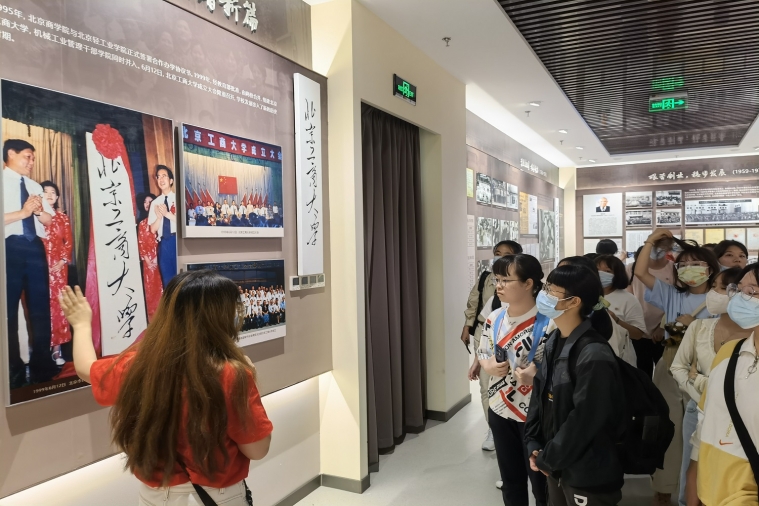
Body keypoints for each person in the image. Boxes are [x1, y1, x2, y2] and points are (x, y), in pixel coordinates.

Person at [59, 270, 272, 505]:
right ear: (221, 315)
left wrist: (81, 325)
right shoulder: (231, 374)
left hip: (154, 497)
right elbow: (257, 449)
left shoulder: (138, 366)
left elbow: (85, 368)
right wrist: (250, 379)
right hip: (218, 496)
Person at [525, 264, 625, 505]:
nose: (544, 294)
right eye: (546, 287)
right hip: (557, 462)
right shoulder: (554, 340)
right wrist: (534, 442)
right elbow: (540, 396)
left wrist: (550, 456)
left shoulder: (594, 353)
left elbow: (586, 418)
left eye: (551, 290)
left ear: (573, 302)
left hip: (586, 469)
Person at [634, 229, 720, 506]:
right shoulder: (671, 294)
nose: (689, 268)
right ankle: (664, 486)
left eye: (696, 263)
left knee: (702, 431)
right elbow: (640, 272)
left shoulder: (721, 299)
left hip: (707, 369)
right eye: (683, 264)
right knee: (668, 427)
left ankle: (696, 490)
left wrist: (690, 326)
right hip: (671, 363)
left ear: (710, 268)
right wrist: (651, 241)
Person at [670, 267, 747, 506]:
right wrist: (700, 394)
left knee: (730, 476)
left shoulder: (752, 335)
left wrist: (702, 380)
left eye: (722, 288)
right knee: (691, 471)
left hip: (739, 416)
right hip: (698, 409)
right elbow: (678, 367)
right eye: (713, 287)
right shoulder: (699, 328)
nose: (714, 293)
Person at [478, 254, 548, 506]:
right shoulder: (495, 317)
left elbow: (559, 366)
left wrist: (537, 373)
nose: (499, 286)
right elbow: (484, 351)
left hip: (535, 415)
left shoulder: (548, 321)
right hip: (500, 407)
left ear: (528, 283)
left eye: (506, 280)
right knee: (511, 480)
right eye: (497, 279)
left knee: (541, 483)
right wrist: (488, 365)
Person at [687, 263, 759, 505]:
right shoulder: (730, 352)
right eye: (737, 290)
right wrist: (693, 475)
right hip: (710, 490)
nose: (738, 298)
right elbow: (706, 417)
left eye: (751, 291)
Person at [3, 139, 58, 387]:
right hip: (9, 247)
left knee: (40, 308)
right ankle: (12, 369)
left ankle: (42, 366)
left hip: (35, 247)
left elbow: (48, 220)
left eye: (33, 158)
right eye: (28, 156)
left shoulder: (34, 186)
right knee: (8, 310)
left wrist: (37, 212)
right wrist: (23, 213)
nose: (32, 162)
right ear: (11, 154)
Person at [462, 240, 523, 453]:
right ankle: (493, 429)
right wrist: (468, 326)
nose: (500, 257)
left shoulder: (524, 284)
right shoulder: (486, 279)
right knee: (486, 386)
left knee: (512, 384)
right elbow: (474, 303)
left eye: (507, 254)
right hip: (485, 333)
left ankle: (515, 428)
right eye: (497, 253)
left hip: (514, 337)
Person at [627, 243, 674, 378]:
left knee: (664, 372)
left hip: (664, 330)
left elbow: (677, 302)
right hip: (639, 329)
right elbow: (629, 296)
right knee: (641, 371)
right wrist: (635, 325)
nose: (657, 250)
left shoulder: (673, 269)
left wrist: (663, 327)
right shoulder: (632, 268)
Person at [41, 181, 74, 366]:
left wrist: (62, 260)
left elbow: (68, 241)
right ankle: (40, 348)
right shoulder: (35, 216)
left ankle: (57, 349)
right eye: (45, 191)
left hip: (59, 269)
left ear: (58, 196)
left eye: (53, 192)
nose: (49, 194)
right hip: (39, 267)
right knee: (41, 306)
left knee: (58, 306)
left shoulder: (63, 218)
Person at [596, 254, 645, 364]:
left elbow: (638, 334)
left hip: (620, 358)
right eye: (597, 270)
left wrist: (616, 320)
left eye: (607, 271)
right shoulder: (586, 296)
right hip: (591, 355)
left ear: (617, 275)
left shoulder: (628, 299)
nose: (600, 274)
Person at [148, 165, 177, 289]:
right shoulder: (155, 203)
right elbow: (153, 229)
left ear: (171, 180)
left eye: (164, 176)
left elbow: (183, 222)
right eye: (158, 177)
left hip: (177, 241)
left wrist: (166, 214)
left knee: (182, 280)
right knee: (168, 283)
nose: (161, 179)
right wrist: (159, 217)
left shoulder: (178, 198)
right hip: (164, 244)